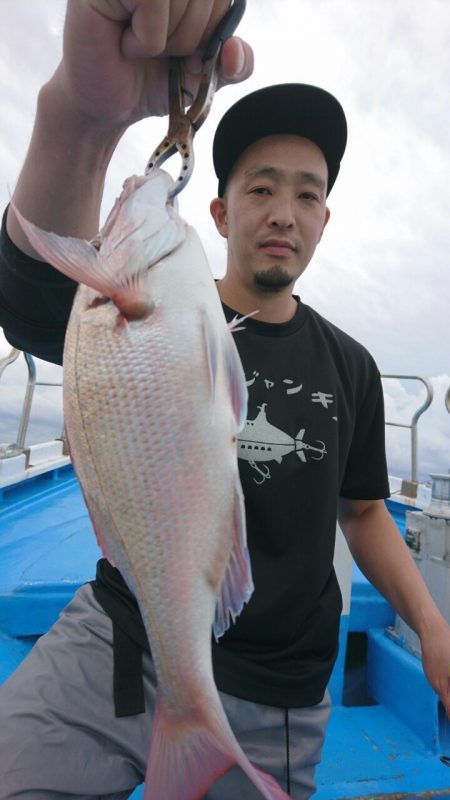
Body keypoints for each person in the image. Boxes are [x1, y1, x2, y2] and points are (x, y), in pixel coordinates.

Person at [1, 2, 450, 799]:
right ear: (217, 210)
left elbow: (364, 511)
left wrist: (434, 626)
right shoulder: (149, 313)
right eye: (261, 188)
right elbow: (36, 300)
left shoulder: (350, 365)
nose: (283, 212)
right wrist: (79, 116)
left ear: (325, 219)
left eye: (306, 195)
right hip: (121, 629)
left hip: (272, 685)